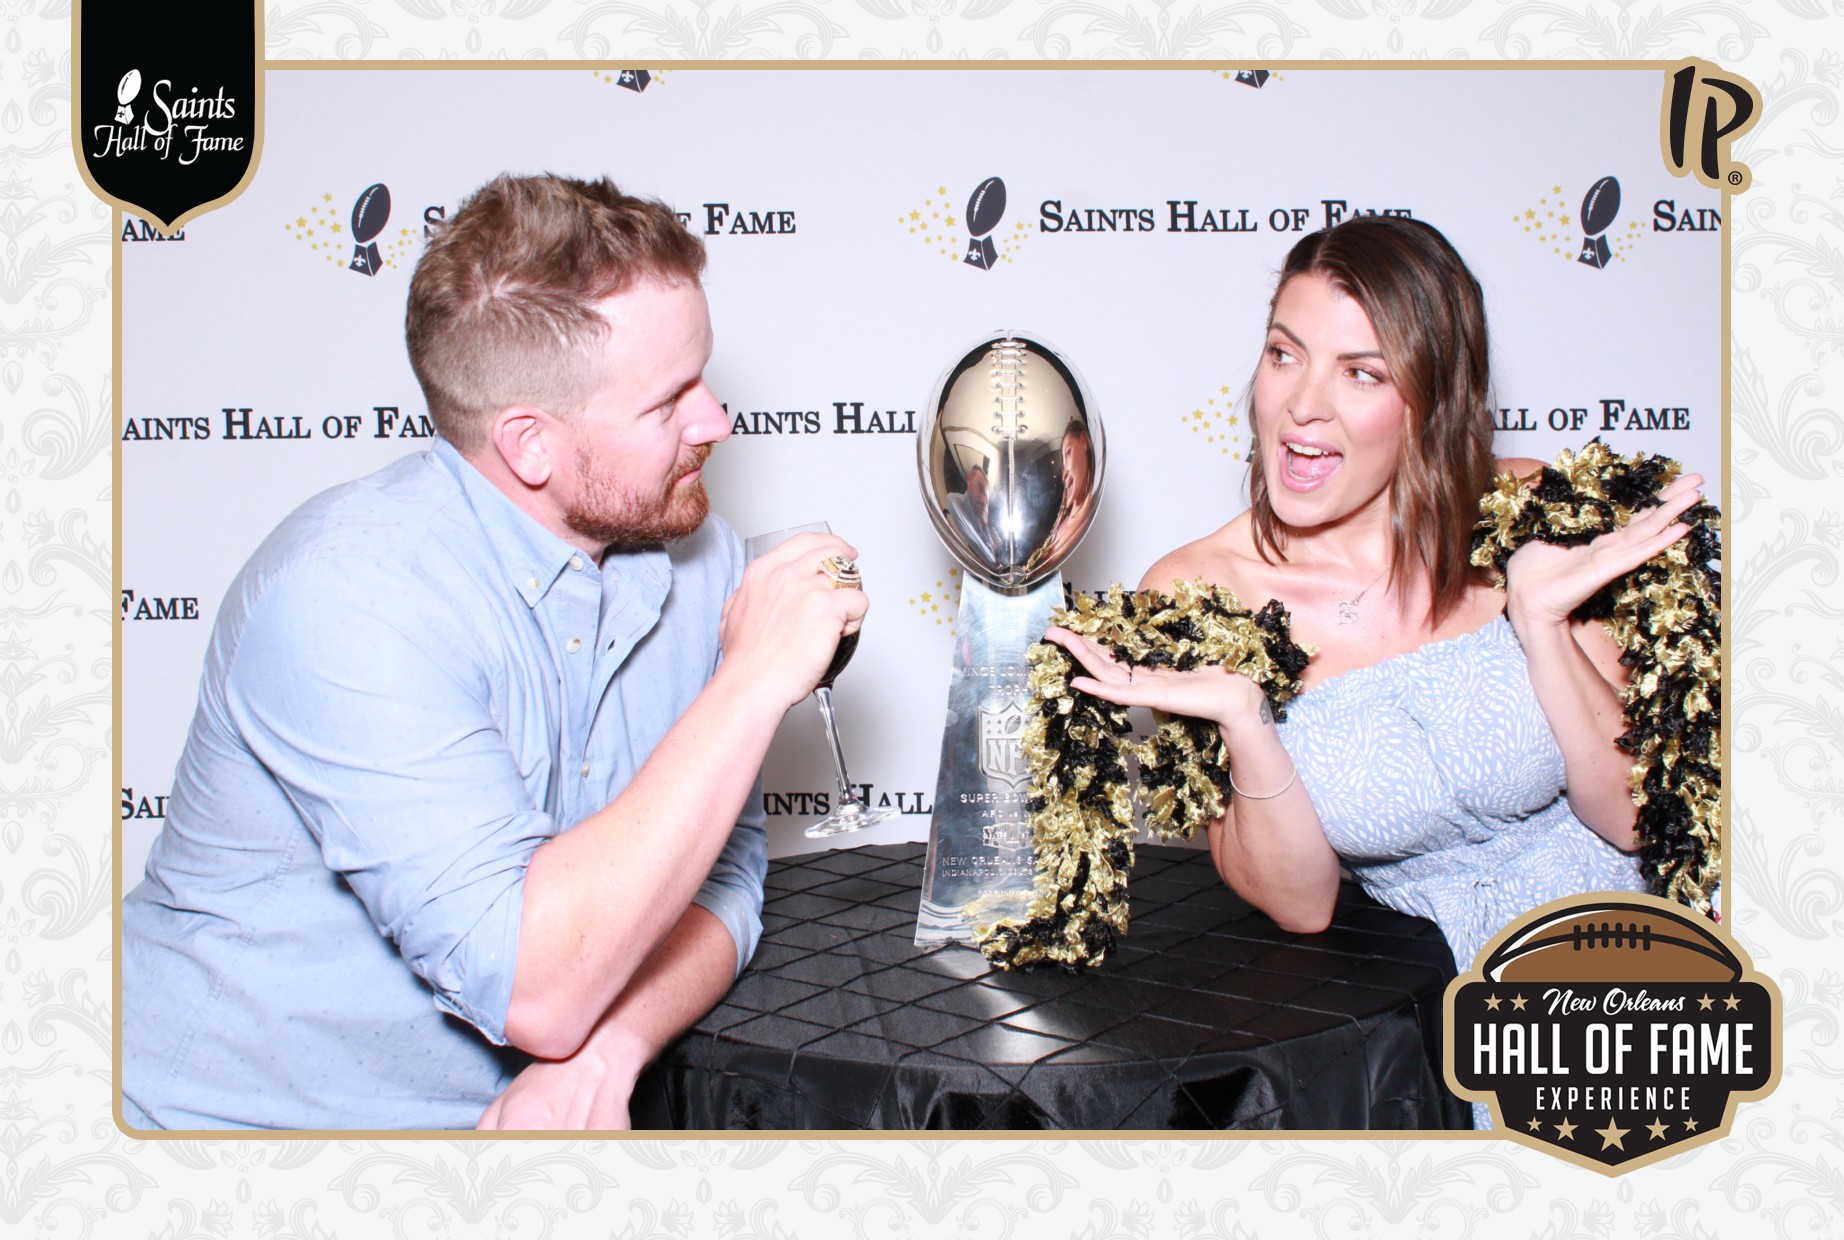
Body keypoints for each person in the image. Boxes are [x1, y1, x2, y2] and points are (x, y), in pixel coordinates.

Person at [120, 173, 867, 1131]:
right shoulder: (346, 596)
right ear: (530, 446)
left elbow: (726, 873)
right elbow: (536, 988)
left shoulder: (698, 555)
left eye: (706, 376)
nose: (717, 421)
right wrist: (756, 678)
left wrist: (613, 1047)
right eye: (668, 399)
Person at [1047, 217, 1703, 1121]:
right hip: (1436, 1021)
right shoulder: (1197, 592)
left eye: (1361, 372)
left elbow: (1635, 818)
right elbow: (1302, 905)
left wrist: (1542, 623)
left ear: (1430, 399)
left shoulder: (1530, 509)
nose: (1302, 404)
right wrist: (1248, 722)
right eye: (1286, 353)